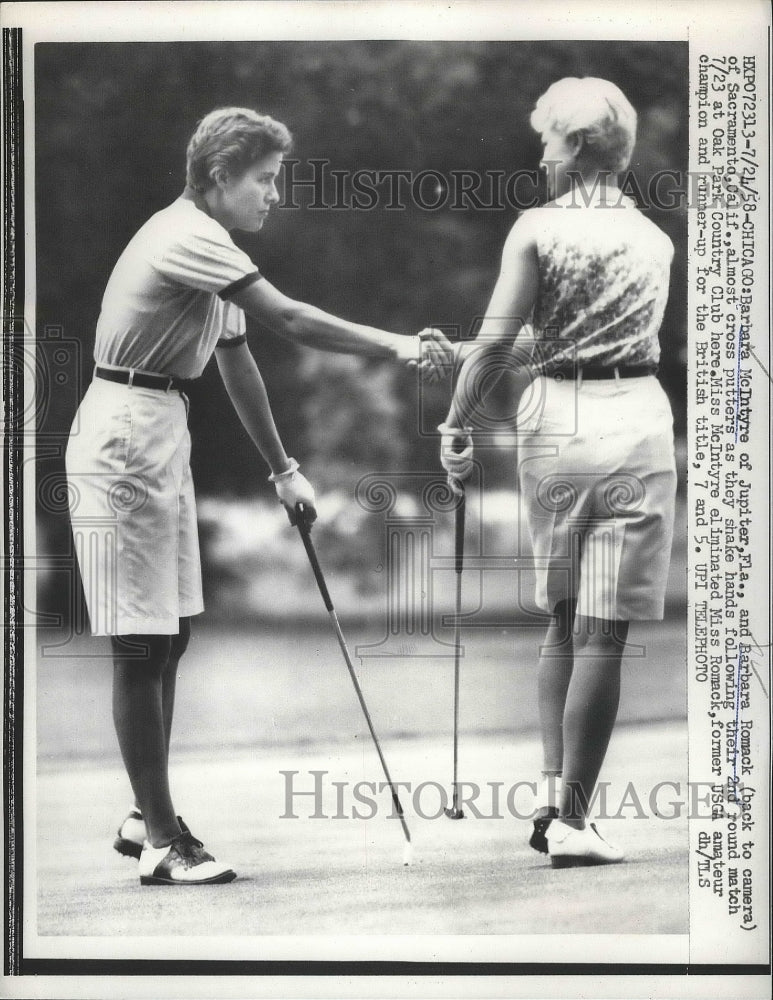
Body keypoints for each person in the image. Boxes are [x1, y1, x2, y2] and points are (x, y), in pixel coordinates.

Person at [65, 107, 452, 886]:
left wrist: (283, 470)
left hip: (157, 426)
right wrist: (399, 344)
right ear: (218, 178)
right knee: (141, 644)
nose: (274, 195)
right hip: (126, 433)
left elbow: (238, 360)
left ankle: (150, 813)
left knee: (169, 635)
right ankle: (162, 841)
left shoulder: (214, 251)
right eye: (264, 179)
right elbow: (294, 319)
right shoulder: (188, 235)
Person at [439, 78, 677, 867]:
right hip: (634, 413)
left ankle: (551, 794)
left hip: (552, 417)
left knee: (563, 614)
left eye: (547, 139)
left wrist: (453, 423)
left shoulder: (536, 226)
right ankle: (573, 817)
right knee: (603, 628)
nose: (539, 153)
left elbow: (498, 341)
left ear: (575, 147)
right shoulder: (653, 239)